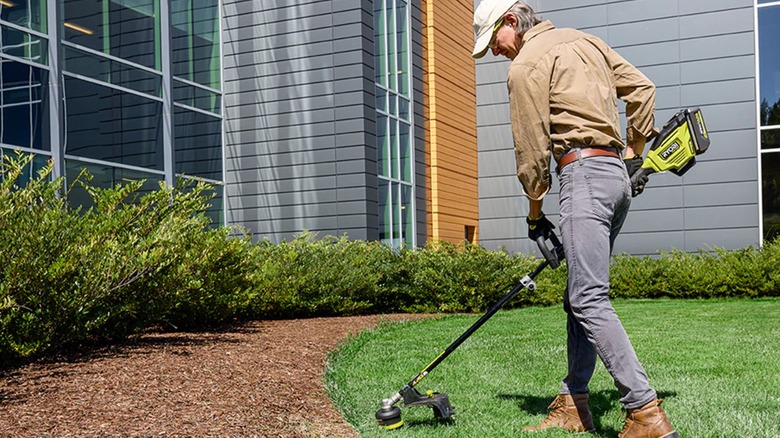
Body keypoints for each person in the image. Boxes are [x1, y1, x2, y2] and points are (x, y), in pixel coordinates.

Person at [472, 1, 677, 437]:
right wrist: (633, 155)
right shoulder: (588, 41)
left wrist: (534, 217)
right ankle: (574, 402)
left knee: (588, 299)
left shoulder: (526, 65)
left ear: (511, 22)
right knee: (579, 294)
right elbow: (644, 90)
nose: (494, 51)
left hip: (581, 175)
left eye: (493, 40)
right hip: (615, 180)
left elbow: (531, 152)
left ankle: (645, 414)